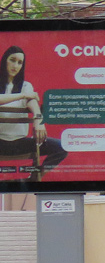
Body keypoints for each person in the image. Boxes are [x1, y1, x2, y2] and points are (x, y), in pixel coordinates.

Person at [0, 46, 67, 174]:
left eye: (20, 62)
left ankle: (36, 176)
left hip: (19, 143)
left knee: (61, 147)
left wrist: (38, 119)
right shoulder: (23, 92)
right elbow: (27, 97)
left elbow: (32, 102)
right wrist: (23, 95)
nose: (16, 65)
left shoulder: (26, 86)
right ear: (4, 61)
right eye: (12, 60)